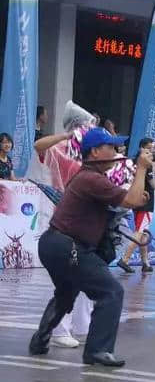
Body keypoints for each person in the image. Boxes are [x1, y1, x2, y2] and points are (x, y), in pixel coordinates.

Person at [29, 127, 152, 366]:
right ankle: (97, 350)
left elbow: (128, 199)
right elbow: (133, 200)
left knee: (66, 294)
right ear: (95, 152)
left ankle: (40, 339)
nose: (116, 150)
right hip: (69, 247)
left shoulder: (89, 177)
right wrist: (142, 168)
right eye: (110, 146)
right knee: (111, 292)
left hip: (54, 244)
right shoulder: (92, 179)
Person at [32, 101, 96, 349]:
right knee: (66, 275)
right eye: (86, 127)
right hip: (64, 214)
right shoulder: (60, 148)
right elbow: (38, 146)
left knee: (86, 270)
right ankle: (60, 328)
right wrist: (66, 136)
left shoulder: (91, 152)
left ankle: (83, 324)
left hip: (86, 216)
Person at [118, 138, 155, 274]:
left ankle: (145, 262)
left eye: (153, 148)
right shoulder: (147, 164)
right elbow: (153, 184)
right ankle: (125, 259)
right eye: (149, 148)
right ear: (141, 148)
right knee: (140, 231)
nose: (151, 151)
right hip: (146, 201)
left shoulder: (134, 162)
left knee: (143, 232)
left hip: (136, 200)